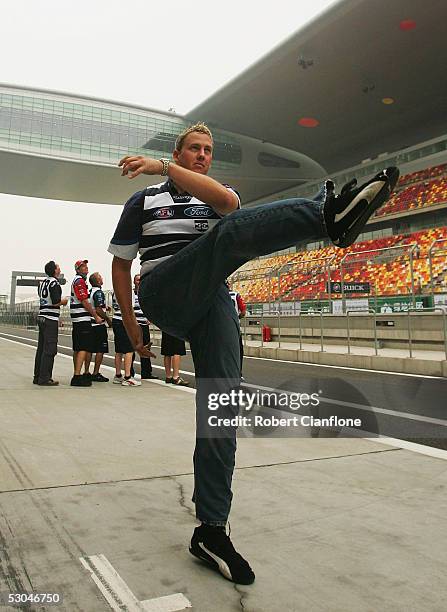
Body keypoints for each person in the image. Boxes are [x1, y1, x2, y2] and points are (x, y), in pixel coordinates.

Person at [108, 121, 399, 585]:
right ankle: (328, 217)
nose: (203, 155)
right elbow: (121, 266)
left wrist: (165, 166)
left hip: (212, 299)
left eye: (207, 150)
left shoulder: (215, 192)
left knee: (221, 409)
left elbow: (227, 205)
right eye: (194, 149)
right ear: (178, 152)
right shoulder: (143, 201)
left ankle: (211, 530)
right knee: (229, 235)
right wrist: (129, 322)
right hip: (164, 288)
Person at [33, 260, 68, 386]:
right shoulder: (54, 283)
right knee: (50, 349)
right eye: (58, 267)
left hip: (41, 316)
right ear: (54, 270)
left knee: (41, 348)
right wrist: (64, 301)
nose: (59, 269)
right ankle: (45, 378)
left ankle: (37, 376)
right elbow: (55, 301)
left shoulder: (43, 283)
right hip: (50, 319)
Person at [70, 260, 102, 387]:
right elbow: (84, 301)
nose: (86, 268)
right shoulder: (80, 281)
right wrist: (95, 316)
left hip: (77, 319)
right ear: (78, 269)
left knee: (77, 347)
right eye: (83, 266)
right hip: (82, 319)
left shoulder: (76, 281)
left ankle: (76, 373)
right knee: (83, 347)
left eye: (86, 266)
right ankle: (77, 376)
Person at [112, 291, 154, 386]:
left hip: (116, 319)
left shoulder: (116, 291)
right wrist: (134, 325)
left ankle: (118, 375)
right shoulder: (128, 291)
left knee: (119, 350)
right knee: (129, 350)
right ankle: (127, 377)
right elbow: (129, 310)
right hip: (124, 320)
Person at [132, 274, 158, 380]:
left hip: (144, 325)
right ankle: (129, 372)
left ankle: (146, 372)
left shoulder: (145, 293)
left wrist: (150, 317)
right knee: (132, 349)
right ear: (134, 282)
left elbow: (150, 307)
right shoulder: (131, 294)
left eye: (140, 280)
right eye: (137, 280)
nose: (139, 281)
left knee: (146, 348)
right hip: (135, 326)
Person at [88, 272, 111, 382]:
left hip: (90, 323)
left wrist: (105, 308)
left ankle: (86, 371)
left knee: (89, 349)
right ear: (97, 281)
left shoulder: (90, 291)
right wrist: (107, 318)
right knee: (100, 349)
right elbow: (98, 309)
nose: (102, 278)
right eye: (100, 277)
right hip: (98, 324)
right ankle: (96, 373)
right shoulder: (99, 292)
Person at [227, 280, 246, 380]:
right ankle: (239, 373)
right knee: (239, 350)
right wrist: (238, 317)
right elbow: (243, 311)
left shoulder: (218, 296)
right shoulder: (236, 295)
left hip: (223, 327)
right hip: (235, 326)